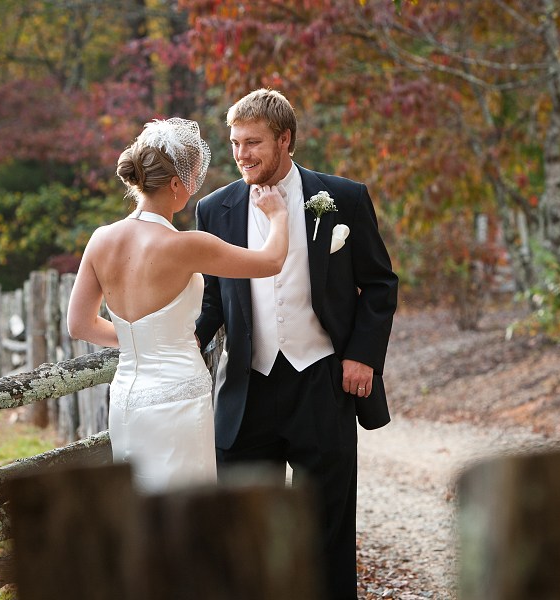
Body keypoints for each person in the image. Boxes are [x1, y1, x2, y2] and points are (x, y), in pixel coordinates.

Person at [194, 89, 399, 599]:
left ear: (285, 140)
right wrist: (178, 355)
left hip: (322, 382)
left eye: (254, 142)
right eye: (236, 143)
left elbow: (379, 284)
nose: (242, 154)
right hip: (247, 388)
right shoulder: (214, 209)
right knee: (245, 532)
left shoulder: (342, 198)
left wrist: (361, 356)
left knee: (326, 529)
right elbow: (214, 305)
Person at [67, 117, 288, 493]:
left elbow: (80, 325)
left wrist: (143, 342)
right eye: (190, 176)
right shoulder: (185, 246)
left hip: (125, 397)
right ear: (174, 184)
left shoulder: (101, 239)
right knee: (185, 508)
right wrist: (278, 215)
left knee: (139, 505)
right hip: (178, 394)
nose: (192, 185)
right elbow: (271, 262)